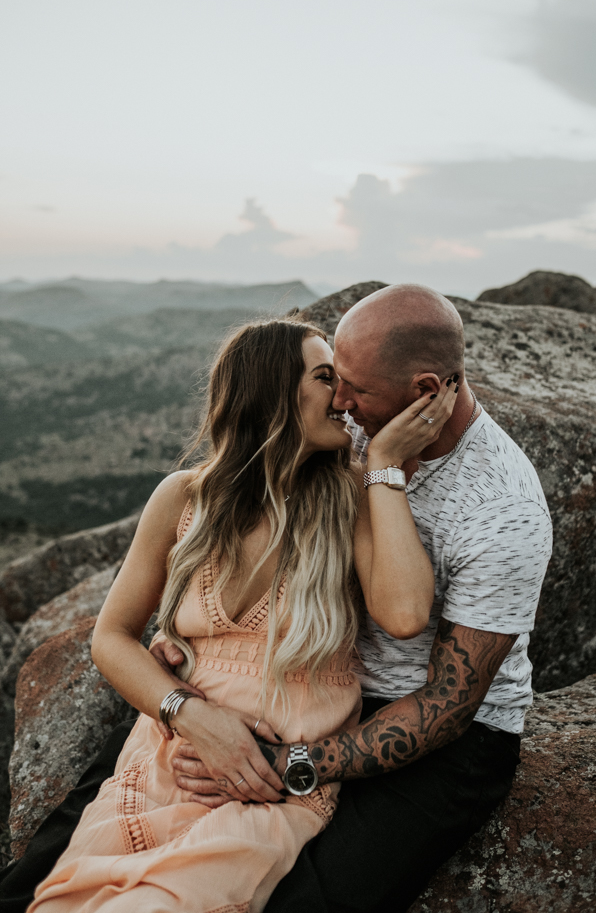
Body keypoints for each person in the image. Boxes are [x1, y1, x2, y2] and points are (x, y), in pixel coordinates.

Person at [0, 284, 552, 913]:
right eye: (331, 379)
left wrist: (276, 762)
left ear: (426, 391)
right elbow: (120, 634)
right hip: (242, 702)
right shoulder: (216, 488)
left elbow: (425, 661)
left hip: (429, 731)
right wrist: (190, 690)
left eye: (352, 389)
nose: (343, 403)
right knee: (41, 876)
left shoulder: (483, 503)